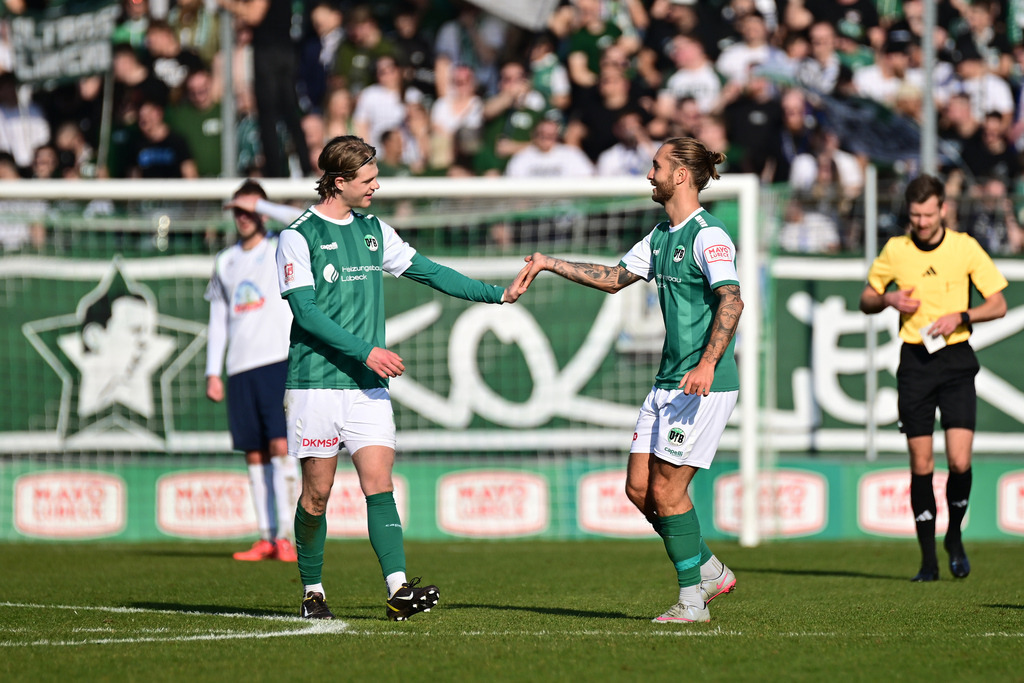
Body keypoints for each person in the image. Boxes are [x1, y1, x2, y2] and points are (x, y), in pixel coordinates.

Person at [274, 135, 529, 620]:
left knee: (379, 484)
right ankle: (312, 590)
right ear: (339, 182)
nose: (377, 187)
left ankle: (397, 590)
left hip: (366, 387)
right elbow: (305, 314)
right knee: (317, 495)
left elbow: (430, 272)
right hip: (315, 384)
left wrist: (497, 293)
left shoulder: (374, 230)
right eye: (368, 180)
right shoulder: (298, 236)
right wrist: (367, 351)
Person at [514, 136, 743, 623]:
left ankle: (692, 601)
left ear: (680, 175)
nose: (649, 174)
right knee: (639, 489)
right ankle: (709, 569)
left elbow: (732, 299)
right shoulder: (660, 236)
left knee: (668, 492)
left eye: (656, 166)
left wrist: (707, 364)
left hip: (702, 383)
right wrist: (550, 263)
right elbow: (614, 277)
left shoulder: (709, 236)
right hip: (667, 382)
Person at [859, 173, 1008, 582]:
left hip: (956, 360)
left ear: (943, 209)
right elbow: (866, 298)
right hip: (915, 363)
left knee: (959, 460)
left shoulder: (964, 247)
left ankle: (954, 536)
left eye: (928, 214)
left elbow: (998, 304)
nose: (922, 222)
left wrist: (962, 315)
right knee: (921, 462)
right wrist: (887, 298)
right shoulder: (896, 249)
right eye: (915, 215)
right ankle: (928, 561)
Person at [206, 180, 304, 562]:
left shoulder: (280, 246)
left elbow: (303, 219)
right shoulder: (225, 261)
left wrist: (262, 204)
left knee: (281, 447)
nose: (244, 217)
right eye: (239, 210)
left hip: (276, 361)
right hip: (239, 368)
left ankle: (286, 537)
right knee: (254, 452)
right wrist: (213, 371)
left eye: (250, 210)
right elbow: (218, 319)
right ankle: (265, 536)